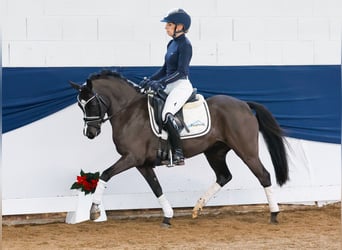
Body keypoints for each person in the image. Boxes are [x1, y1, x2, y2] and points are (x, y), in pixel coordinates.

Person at [141, 8, 193, 165]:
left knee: (166, 113)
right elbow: (164, 70)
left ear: (180, 27)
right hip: (170, 84)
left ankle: (178, 153)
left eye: (169, 25)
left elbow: (181, 72)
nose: (166, 27)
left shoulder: (185, 45)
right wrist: (150, 80)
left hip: (181, 86)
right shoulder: (172, 43)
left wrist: (161, 82)